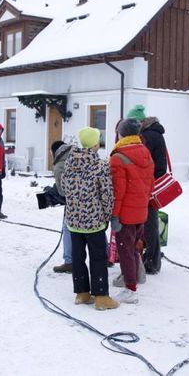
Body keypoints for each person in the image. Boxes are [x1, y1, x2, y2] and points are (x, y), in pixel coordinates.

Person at [62, 127, 118, 310]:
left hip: (74, 221)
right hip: (94, 221)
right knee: (98, 258)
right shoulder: (100, 165)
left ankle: (82, 293)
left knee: (78, 258)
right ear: (95, 144)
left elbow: (63, 187)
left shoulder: (69, 162)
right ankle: (101, 296)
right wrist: (107, 215)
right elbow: (107, 194)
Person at [108, 118, 154, 304]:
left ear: (121, 133)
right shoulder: (145, 152)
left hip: (125, 212)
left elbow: (118, 191)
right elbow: (150, 184)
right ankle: (136, 278)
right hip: (141, 209)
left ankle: (130, 289)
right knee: (134, 247)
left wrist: (115, 215)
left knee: (125, 250)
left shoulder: (118, 157)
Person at [127, 104, 168, 274]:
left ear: (140, 122)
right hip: (152, 181)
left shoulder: (147, 137)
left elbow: (141, 161)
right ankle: (152, 258)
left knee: (149, 223)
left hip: (149, 184)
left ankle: (152, 261)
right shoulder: (154, 133)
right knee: (150, 222)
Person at [51, 140, 75, 273]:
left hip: (73, 203)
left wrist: (54, 193)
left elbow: (62, 191)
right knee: (94, 229)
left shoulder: (60, 165)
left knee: (67, 228)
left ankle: (69, 261)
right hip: (91, 201)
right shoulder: (77, 154)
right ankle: (106, 257)